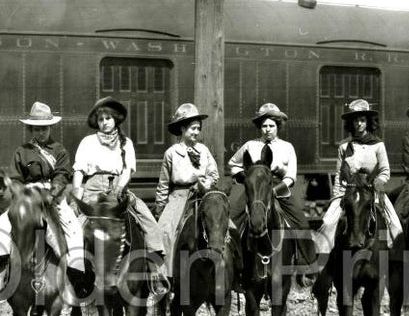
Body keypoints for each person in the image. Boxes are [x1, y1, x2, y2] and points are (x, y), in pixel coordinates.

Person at [70, 96, 167, 295]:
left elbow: (127, 170)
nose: (104, 122)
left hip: (118, 189)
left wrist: (120, 188)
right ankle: (77, 276)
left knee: (148, 222)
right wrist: (77, 196)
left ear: (115, 120)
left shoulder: (126, 143)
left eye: (108, 118)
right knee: (76, 228)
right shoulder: (88, 142)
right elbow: (79, 171)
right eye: (100, 119)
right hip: (93, 190)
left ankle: (155, 271)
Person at [0, 102, 85, 287]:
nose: (41, 133)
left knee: (74, 230)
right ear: (31, 129)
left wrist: (52, 194)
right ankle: (3, 273)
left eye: (44, 128)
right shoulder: (22, 152)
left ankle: (77, 277)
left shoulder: (59, 150)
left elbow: (62, 176)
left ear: (50, 127)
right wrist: (22, 195)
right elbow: (15, 179)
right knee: (2, 225)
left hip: (51, 197)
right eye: (37, 129)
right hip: (27, 197)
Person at [226, 103, 317, 273]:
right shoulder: (249, 145)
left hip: (278, 189)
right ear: (259, 127)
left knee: (302, 223)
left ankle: (308, 268)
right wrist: (246, 178)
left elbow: (291, 176)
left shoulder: (287, 147)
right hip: (254, 191)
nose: (267, 129)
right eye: (264, 126)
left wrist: (274, 190)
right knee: (231, 220)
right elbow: (232, 164)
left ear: (278, 126)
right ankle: (230, 266)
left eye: (271, 126)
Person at [314, 99, 403, 258]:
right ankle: (322, 262)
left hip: (372, 190)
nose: (359, 124)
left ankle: (395, 262)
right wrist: (337, 197)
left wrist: (379, 182)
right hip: (348, 191)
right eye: (355, 120)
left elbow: (385, 170)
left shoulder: (378, 145)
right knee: (327, 222)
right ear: (351, 123)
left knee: (395, 225)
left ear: (368, 122)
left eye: (362, 120)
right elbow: (339, 175)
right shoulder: (344, 146)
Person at [155, 103, 220, 276]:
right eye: (192, 128)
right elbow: (163, 184)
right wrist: (161, 210)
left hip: (203, 196)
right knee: (165, 233)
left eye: (198, 129)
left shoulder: (204, 150)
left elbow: (214, 173)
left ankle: (230, 272)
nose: (196, 132)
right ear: (182, 129)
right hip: (179, 197)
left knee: (226, 226)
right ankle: (165, 277)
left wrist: (208, 183)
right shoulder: (172, 152)